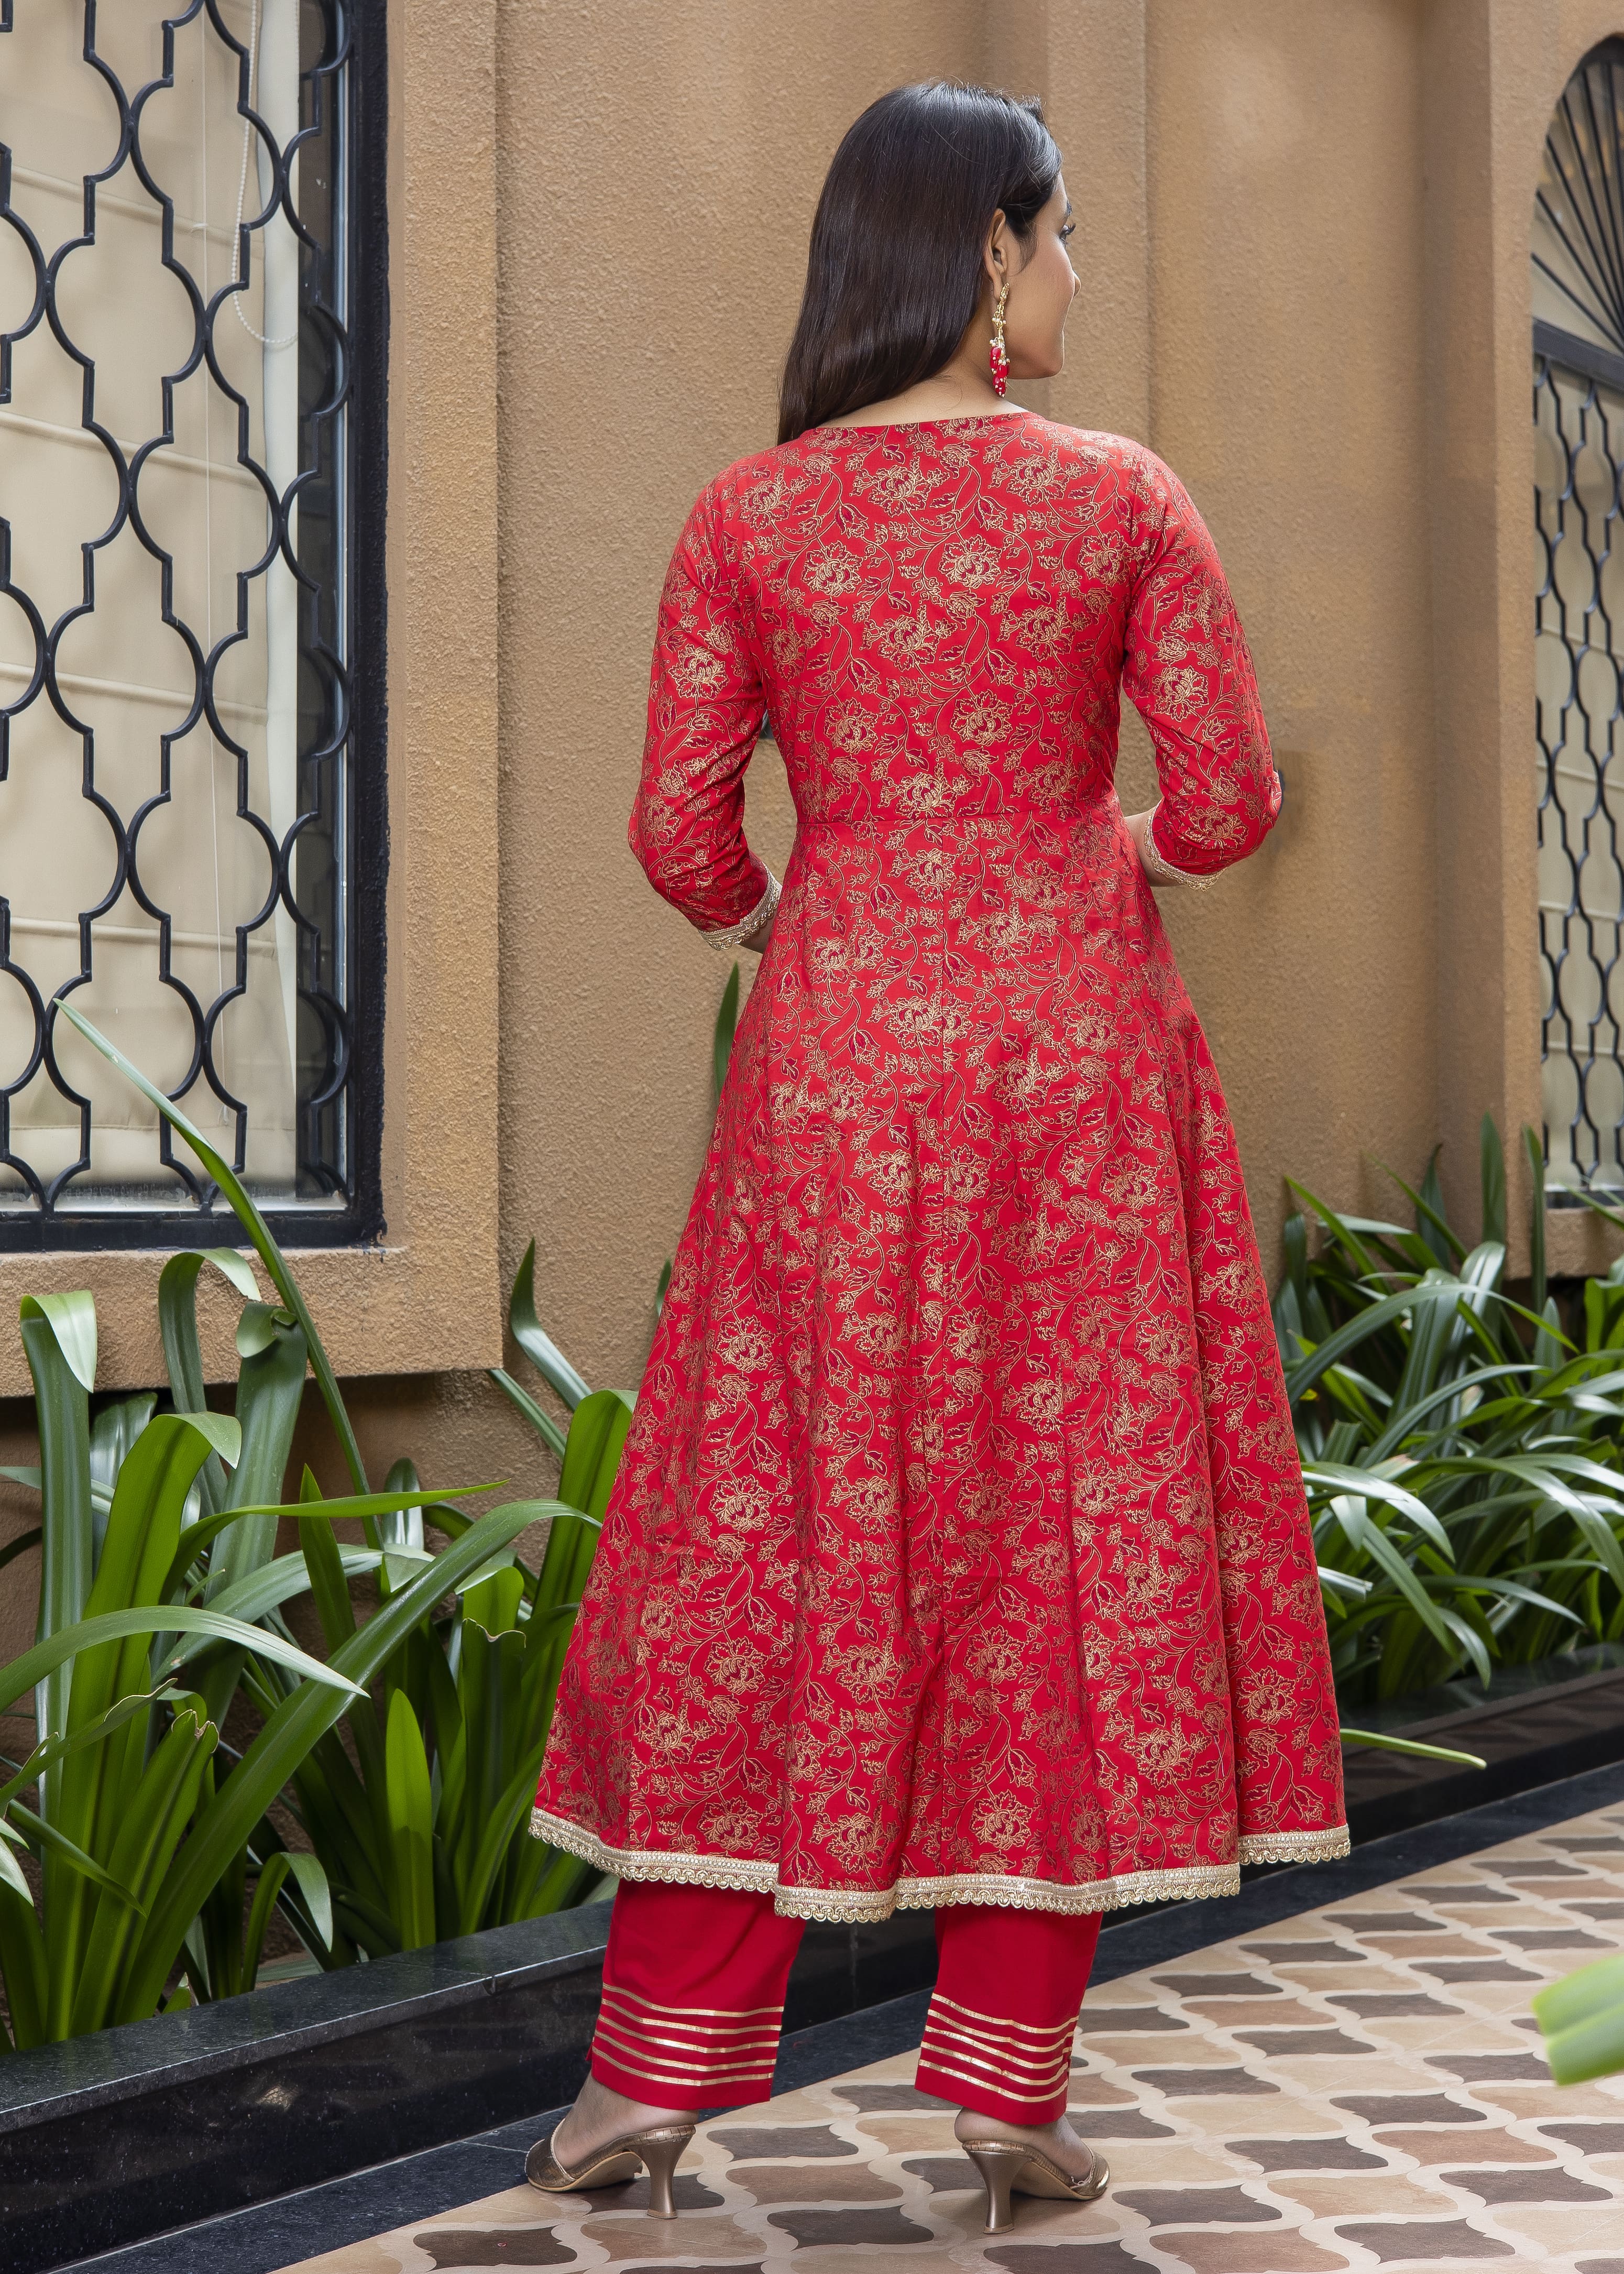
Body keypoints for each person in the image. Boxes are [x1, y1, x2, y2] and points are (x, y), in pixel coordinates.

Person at [525, 79, 1348, 2237]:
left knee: (773, 1525)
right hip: (1076, 1078)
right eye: (1060, 236)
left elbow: (679, 832)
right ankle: (1002, 2085)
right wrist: (1113, 860)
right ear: (986, 251)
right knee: (1063, 1536)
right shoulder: (1119, 498)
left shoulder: (748, 516)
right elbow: (1235, 792)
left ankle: (643, 2084)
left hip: (830, 1082)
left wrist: (800, 915)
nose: (1074, 273)